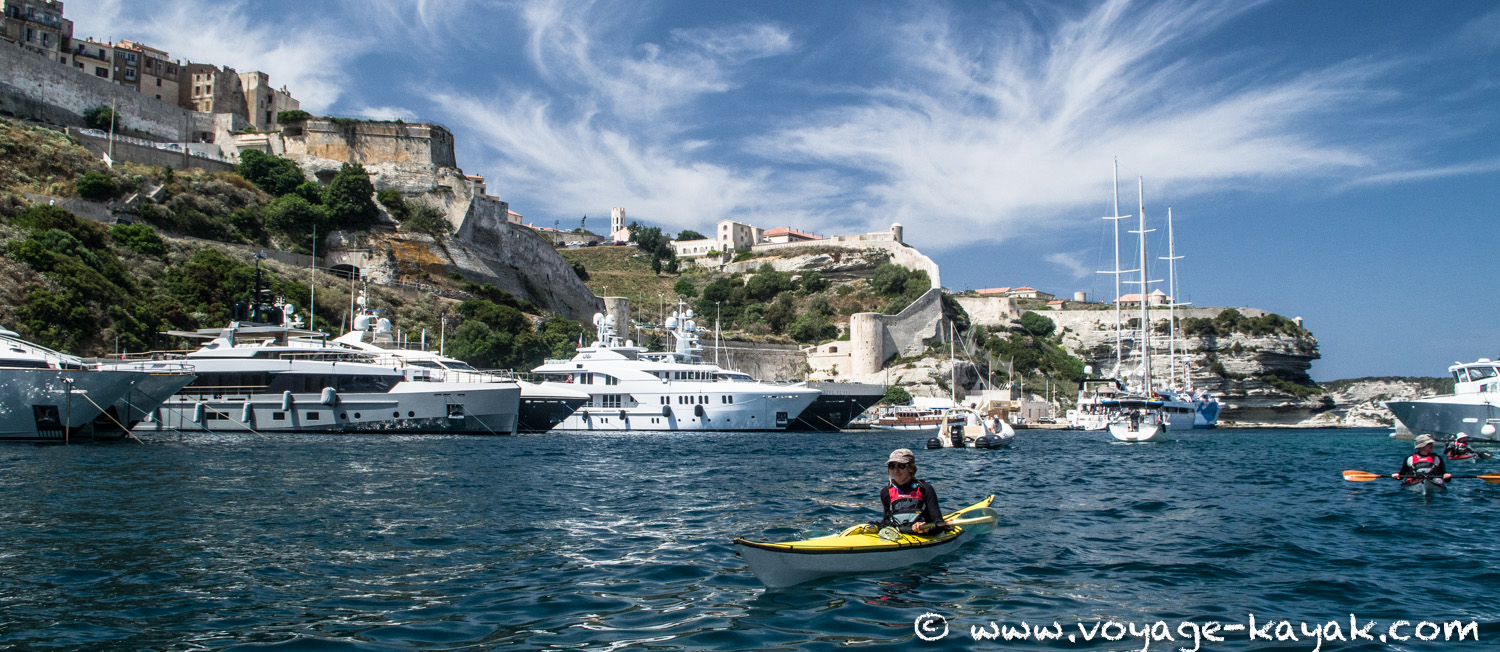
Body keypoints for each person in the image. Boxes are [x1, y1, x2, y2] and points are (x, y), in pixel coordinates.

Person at [880, 449, 944, 534]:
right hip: (898, 534)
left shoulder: (925, 489)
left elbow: (939, 524)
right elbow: (885, 521)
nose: (896, 470)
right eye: (892, 466)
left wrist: (926, 529)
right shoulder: (886, 492)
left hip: (923, 535)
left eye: (901, 466)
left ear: (911, 468)